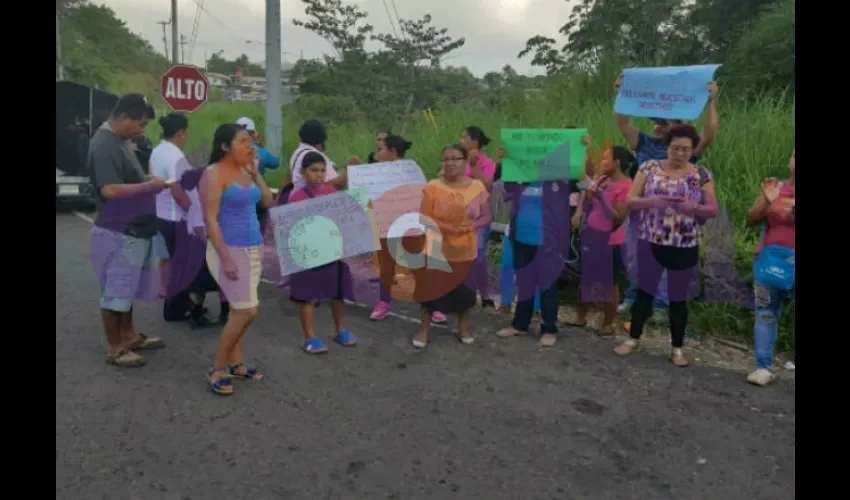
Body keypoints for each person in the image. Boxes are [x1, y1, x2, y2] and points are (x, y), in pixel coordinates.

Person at [614, 76, 720, 317]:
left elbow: (709, 134)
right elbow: (623, 123)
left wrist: (711, 102)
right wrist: (621, 95)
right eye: (656, 121)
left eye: (664, 122)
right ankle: (634, 296)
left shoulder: (686, 151)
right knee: (634, 257)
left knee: (667, 263)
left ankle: (661, 305)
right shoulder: (644, 143)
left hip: (677, 218)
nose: (658, 125)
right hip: (642, 212)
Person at [613, 124, 719, 366]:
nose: (679, 153)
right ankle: (633, 338)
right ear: (667, 147)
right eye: (675, 148)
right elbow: (631, 199)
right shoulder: (650, 168)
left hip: (685, 243)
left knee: (678, 298)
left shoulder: (701, 175)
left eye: (685, 149)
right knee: (644, 292)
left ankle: (677, 348)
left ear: (692, 150)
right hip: (651, 240)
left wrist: (695, 208)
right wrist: (652, 202)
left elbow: (712, 209)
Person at [88, 94, 167, 367]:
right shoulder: (103, 145)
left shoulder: (121, 141)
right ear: (123, 118)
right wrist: (149, 187)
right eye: (140, 124)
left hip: (137, 229)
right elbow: (109, 190)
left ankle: (129, 335)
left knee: (128, 289)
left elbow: (128, 179)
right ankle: (115, 348)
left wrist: (148, 180)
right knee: (115, 292)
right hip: (119, 231)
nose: (142, 131)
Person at [202, 124, 275, 395]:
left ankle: (236, 363)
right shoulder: (213, 173)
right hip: (228, 249)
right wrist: (226, 259)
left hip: (253, 246)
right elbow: (210, 218)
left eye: (251, 140)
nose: (250, 146)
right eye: (243, 141)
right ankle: (217, 368)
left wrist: (257, 176)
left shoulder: (247, 170)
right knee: (247, 310)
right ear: (224, 146)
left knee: (239, 310)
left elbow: (267, 201)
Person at [412, 144, 492, 348]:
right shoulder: (433, 186)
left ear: (465, 162)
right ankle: (424, 329)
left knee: (464, 292)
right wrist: (447, 227)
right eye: (445, 159)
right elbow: (423, 217)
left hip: (465, 250)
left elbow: (487, 215)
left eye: (455, 159)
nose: (449, 163)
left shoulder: (477, 187)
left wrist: (470, 225)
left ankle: (463, 327)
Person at [287, 151, 358, 354]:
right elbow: (292, 228)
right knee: (307, 296)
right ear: (303, 172)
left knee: (337, 294)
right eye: (313, 170)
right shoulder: (297, 197)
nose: (318, 175)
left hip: (331, 251)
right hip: (308, 254)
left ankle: (340, 329)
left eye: (321, 170)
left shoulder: (331, 193)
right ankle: (310, 337)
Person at [565, 146, 636, 335]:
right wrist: (590, 193)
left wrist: (601, 198)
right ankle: (581, 316)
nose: (602, 162)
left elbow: (617, 218)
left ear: (617, 163)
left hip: (611, 241)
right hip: (592, 236)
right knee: (585, 278)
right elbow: (589, 199)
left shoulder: (627, 186)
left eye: (606, 158)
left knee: (610, 283)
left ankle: (608, 323)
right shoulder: (603, 179)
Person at [496, 175, 571, 348]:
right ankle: (520, 324)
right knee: (525, 284)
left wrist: (581, 150)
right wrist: (507, 160)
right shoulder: (522, 181)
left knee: (548, 286)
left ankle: (549, 329)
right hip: (522, 240)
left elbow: (582, 181)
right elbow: (507, 187)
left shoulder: (558, 181)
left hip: (548, 243)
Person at [368, 135, 434, 321]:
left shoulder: (412, 169)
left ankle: (431, 304)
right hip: (385, 223)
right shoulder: (376, 172)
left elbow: (422, 194)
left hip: (409, 224)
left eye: (381, 149)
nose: (377, 153)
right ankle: (384, 302)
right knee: (386, 264)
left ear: (393, 151)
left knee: (417, 263)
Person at [744, 150, 795, 386]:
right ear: (789, 161)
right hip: (767, 265)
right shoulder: (777, 187)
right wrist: (767, 200)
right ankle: (763, 367)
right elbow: (750, 219)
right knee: (764, 312)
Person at [149, 113, 192, 299]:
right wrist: (194, 210)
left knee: (164, 255)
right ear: (181, 133)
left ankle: (165, 289)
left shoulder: (157, 151)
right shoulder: (176, 155)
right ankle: (177, 294)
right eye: (186, 133)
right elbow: (177, 190)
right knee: (180, 257)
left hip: (159, 211)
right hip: (176, 216)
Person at [459, 126, 497, 309]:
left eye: (465, 137)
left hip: (480, 215)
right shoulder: (457, 161)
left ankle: (485, 294)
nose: (461, 141)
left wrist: (473, 167)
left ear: (475, 142)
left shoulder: (487, 163)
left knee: (479, 256)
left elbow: (487, 186)